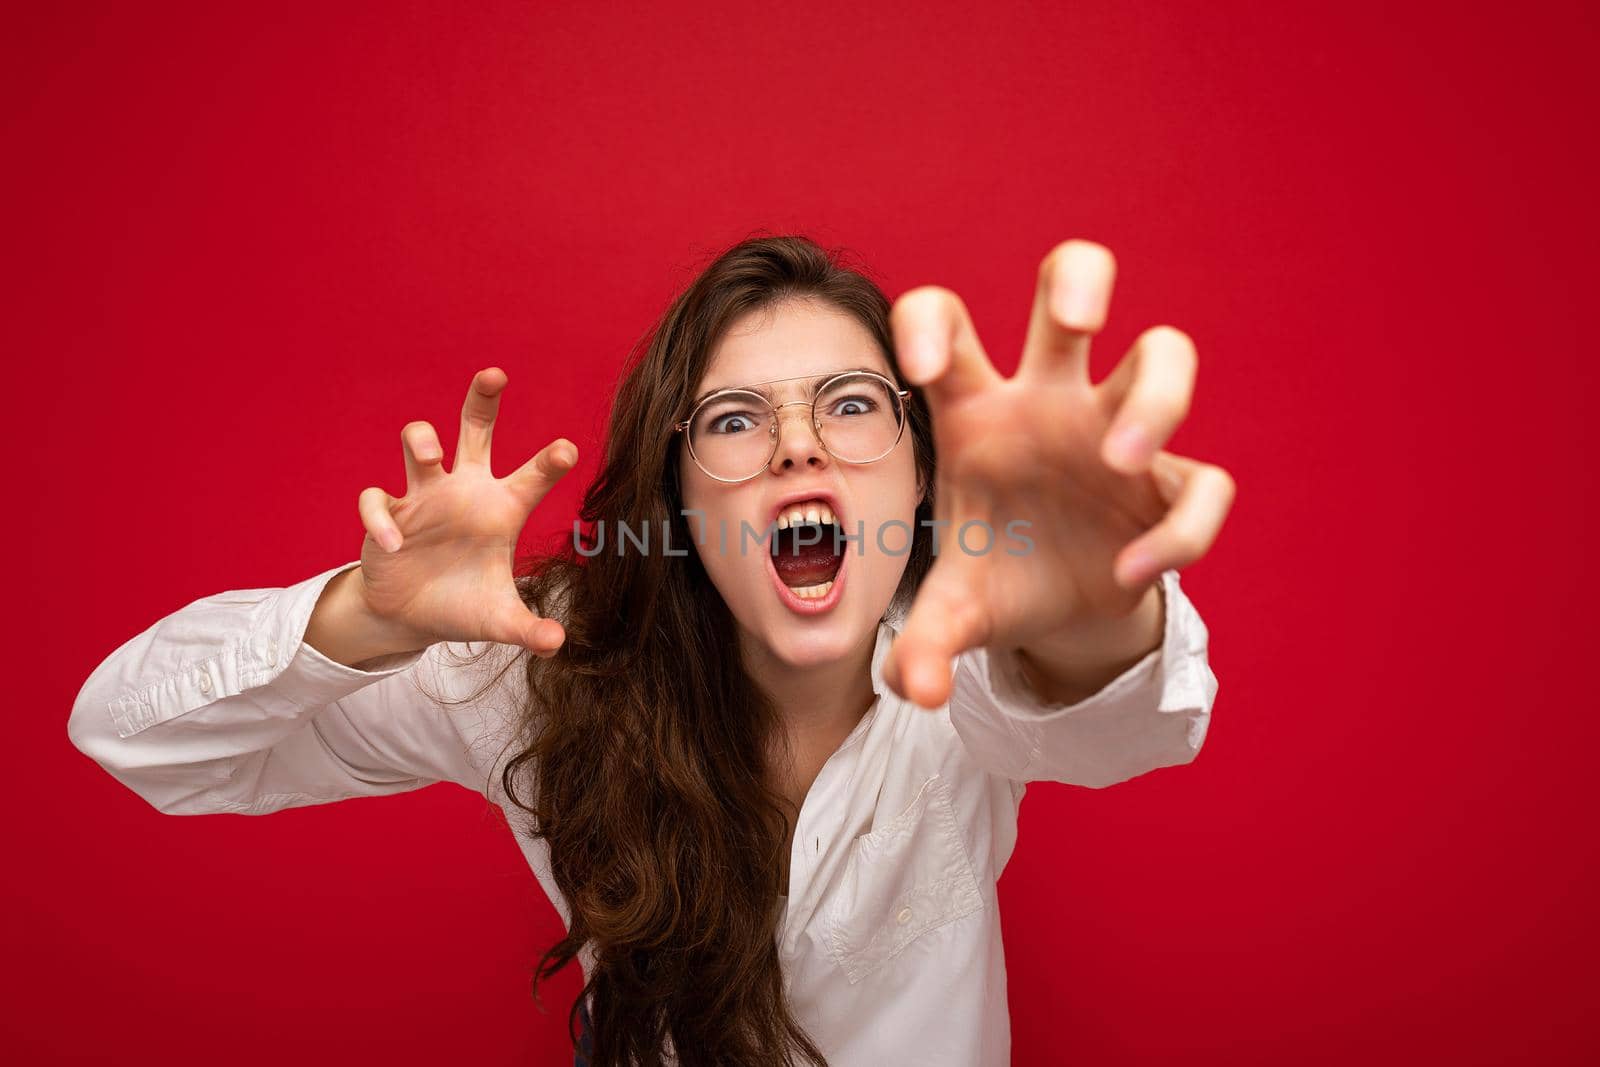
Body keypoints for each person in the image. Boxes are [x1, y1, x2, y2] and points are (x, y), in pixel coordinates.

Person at [69, 234, 1234, 1066]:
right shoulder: (539, 661)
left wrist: (1090, 603)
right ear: (677, 499)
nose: (794, 449)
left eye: (848, 404)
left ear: (918, 467)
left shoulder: (967, 652)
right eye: (734, 419)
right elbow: (132, 734)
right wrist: (372, 622)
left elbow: (1119, 719)